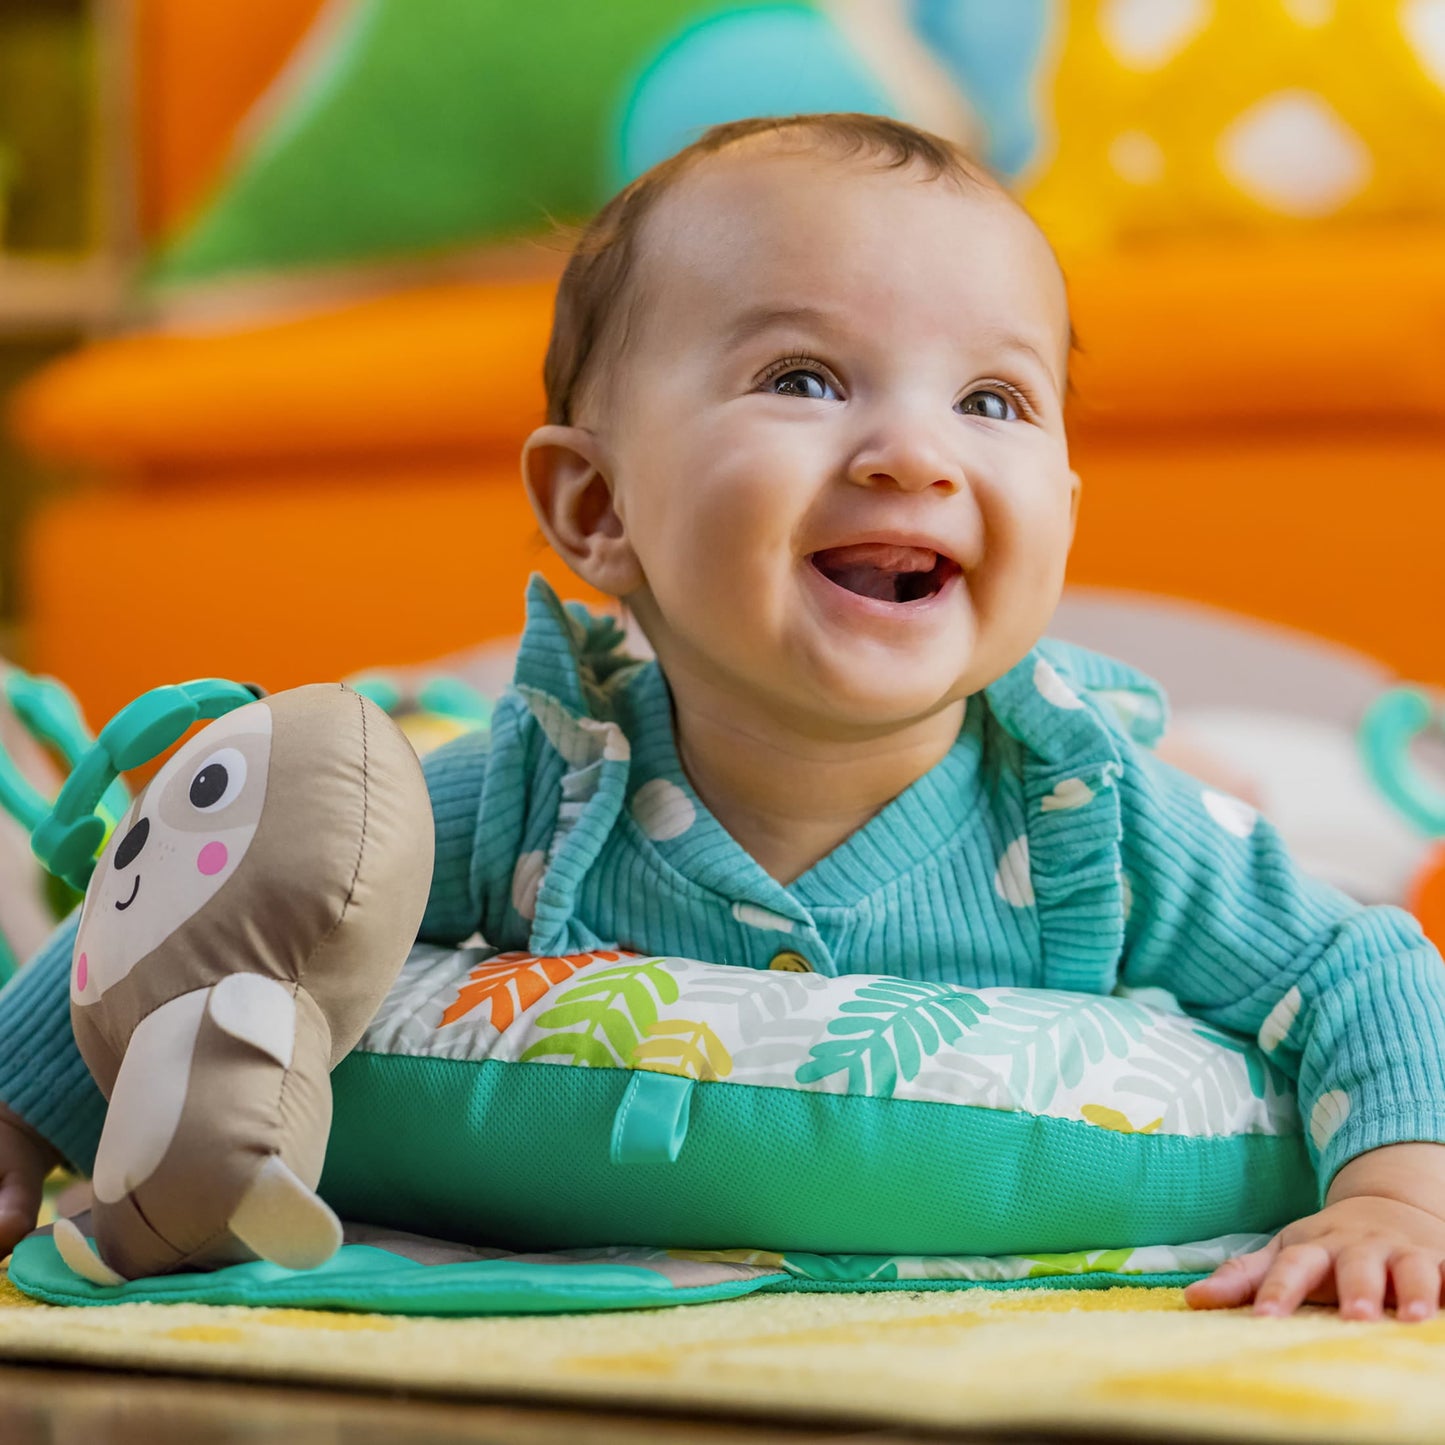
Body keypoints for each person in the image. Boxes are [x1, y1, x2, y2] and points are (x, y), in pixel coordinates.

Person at [2, 113, 1443, 1319]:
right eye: (803, 379)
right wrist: (23, 1113)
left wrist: (1388, 1192)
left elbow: (1358, 963)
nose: (915, 453)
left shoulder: (1089, 812)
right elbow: (226, 913)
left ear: (1064, 509)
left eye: (994, 400)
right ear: (596, 504)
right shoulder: (533, 785)